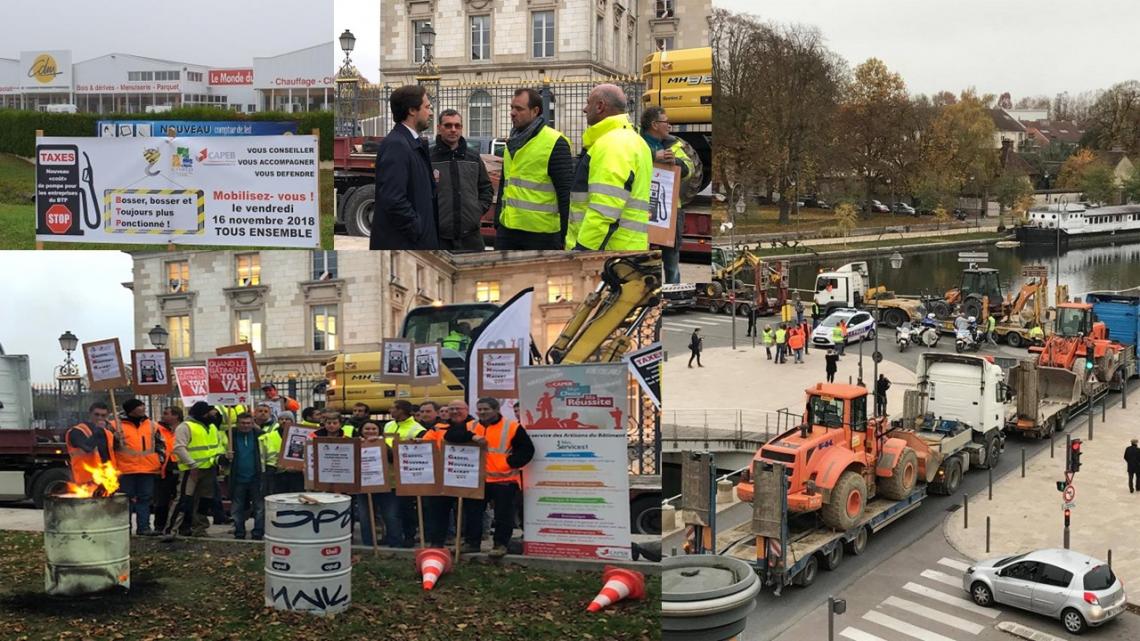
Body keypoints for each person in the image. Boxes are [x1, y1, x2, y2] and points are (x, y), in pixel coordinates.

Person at [566, 84, 652, 250]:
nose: (584, 109)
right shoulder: (635, 141)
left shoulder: (612, 144)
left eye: (588, 103)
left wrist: (582, 251)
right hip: (626, 248)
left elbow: (604, 210)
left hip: (605, 254)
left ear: (600, 106)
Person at [446, 397, 534, 557]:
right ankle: (472, 543)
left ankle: (500, 545)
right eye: (479, 409)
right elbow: (451, 435)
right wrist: (471, 437)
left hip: (504, 479)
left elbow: (527, 450)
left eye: (486, 409)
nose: (482, 412)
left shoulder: (512, 427)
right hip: (478, 479)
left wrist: (510, 463)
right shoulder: (471, 426)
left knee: (503, 515)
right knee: (473, 513)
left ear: (496, 410)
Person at [495, 87, 573, 250]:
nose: (512, 113)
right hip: (507, 231)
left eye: (519, 109)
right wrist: (498, 221)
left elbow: (566, 195)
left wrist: (566, 237)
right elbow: (505, 184)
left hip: (542, 236)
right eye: (512, 107)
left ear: (535, 111)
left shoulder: (555, 142)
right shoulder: (513, 141)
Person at [372, 84, 439, 250]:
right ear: (412, 110)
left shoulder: (410, 143)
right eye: (427, 107)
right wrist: (417, 229)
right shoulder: (397, 145)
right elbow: (393, 199)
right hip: (408, 241)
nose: (430, 113)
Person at [640, 106, 693, 283]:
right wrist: (653, 156)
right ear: (655, 124)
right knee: (642, 262)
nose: (670, 125)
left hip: (669, 213)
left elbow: (691, 168)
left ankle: (672, 296)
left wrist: (676, 161)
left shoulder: (673, 143)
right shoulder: (637, 143)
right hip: (642, 210)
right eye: (666, 122)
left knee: (671, 265)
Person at [431, 109, 495, 250]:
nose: (453, 130)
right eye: (448, 125)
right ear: (439, 128)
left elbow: (486, 188)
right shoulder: (429, 158)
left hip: (471, 238)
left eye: (457, 126)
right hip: (438, 238)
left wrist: (476, 211)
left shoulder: (473, 157)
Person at [169, 401, 220, 539]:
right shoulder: (185, 427)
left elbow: (215, 448)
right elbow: (179, 448)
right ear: (204, 413)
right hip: (190, 471)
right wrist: (192, 465)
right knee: (183, 500)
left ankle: (200, 528)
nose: (215, 413)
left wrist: (219, 459)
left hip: (209, 469)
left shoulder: (212, 427)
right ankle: (171, 530)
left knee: (204, 501)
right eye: (212, 411)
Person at [381, 401, 427, 546]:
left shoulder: (417, 429)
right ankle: (391, 535)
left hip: (406, 474)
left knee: (406, 509)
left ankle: (409, 536)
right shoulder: (389, 425)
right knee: (388, 509)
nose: (390, 410)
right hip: (388, 474)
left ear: (402, 411)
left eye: (393, 408)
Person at [115, 399, 164, 536]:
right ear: (130, 409)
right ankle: (125, 528)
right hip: (125, 469)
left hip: (147, 468)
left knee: (145, 498)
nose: (142, 407)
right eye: (139, 406)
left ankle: (144, 528)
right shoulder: (115, 426)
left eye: (142, 405)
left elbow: (160, 444)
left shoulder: (152, 425)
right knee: (125, 500)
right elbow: (108, 446)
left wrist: (159, 461)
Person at [227, 413, 264, 540]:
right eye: (242, 423)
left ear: (253, 423)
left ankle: (258, 532)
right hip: (237, 477)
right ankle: (239, 531)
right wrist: (225, 457)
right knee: (237, 507)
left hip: (256, 477)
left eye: (248, 423)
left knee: (259, 507)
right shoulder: (230, 436)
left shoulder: (259, 435)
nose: (245, 426)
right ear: (237, 423)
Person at [65, 402, 117, 487]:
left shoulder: (108, 433)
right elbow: (87, 448)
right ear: (90, 414)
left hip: (107, 479)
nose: (99, 418)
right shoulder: (78, 431)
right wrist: (98, 430)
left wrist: (118, 439)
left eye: (103, 416)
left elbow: (113, 452)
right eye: (96, 415)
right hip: (86, 481)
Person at [354, 421, 387, 546]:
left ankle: (394, 542)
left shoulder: (386, 441)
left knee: (390, 515)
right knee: (365, 516)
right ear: (361, 430)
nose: (370, 431)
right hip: (362, 485)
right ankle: (368, 543)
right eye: (367, 428)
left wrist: (380, 443)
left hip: (385, 485)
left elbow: (392, 456)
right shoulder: (355, 442)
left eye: (374, 428)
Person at [152, 406, 182, 535]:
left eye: (166, 413)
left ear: (176, 416)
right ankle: (159, 525)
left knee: (178, 499)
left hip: (180, 466)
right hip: (164, 467)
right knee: (162, 499)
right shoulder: (158, 429)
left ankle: (178, 525)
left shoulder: (183, 429)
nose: (163, 416)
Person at [269, 411, 305, 493]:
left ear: (293, 421)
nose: (284, 421)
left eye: (287, 419)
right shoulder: (271, 435)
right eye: (281, 419)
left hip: (297, 473)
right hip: (278, 473)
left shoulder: (301, 434)